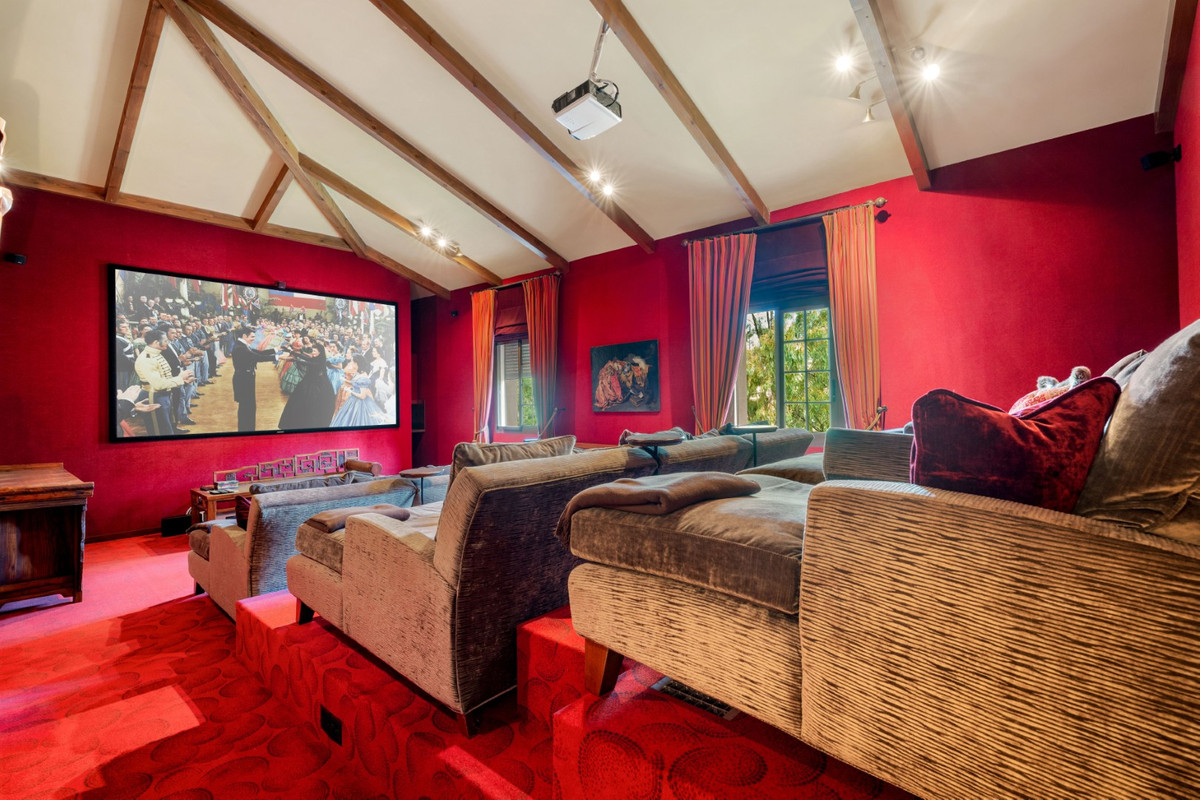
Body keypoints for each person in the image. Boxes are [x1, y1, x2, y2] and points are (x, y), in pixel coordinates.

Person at [134, 330, 195, 435]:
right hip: (153, 396)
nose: (168, 343)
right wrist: (180, 379)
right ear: (156, 342)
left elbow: (164, 377)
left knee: (166, 429)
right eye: (166, 340)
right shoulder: (147, 359)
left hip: (162, 395)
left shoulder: (156, 354)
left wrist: (182, 381)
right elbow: (158, 384)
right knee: (159, 431)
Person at [278, 342, 335, 430]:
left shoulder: (321, 361)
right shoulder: (314, 358)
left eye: (315, 351)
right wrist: (291, 352)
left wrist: (295, 360)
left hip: (317, 386)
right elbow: (305, 357)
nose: (313, 352)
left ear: (320, 352)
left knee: (311, 405)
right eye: (312, 350)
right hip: (307, 383)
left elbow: (309, 363)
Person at [231, 326, 278, 432]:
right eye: (252, 337)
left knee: (249, 406)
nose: (254, 339)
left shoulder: (242, 345)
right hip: (244, 381)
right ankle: (246, 430)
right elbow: (258, 357)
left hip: (246, 379)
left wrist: (275, 350)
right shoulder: (241, 348)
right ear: (244, 336)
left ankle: (247, 429)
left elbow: (258, 353)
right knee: (247, 407)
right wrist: (277, 357)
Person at [331, 359, 384, 427]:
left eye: (353, 362)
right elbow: (355, 383)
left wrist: (350, 391)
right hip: (353, 399)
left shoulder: (363, 376)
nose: (351, 363)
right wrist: (345, 380)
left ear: (357, 363)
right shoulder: (359, 373)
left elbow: (362, 396)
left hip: (360, 401)